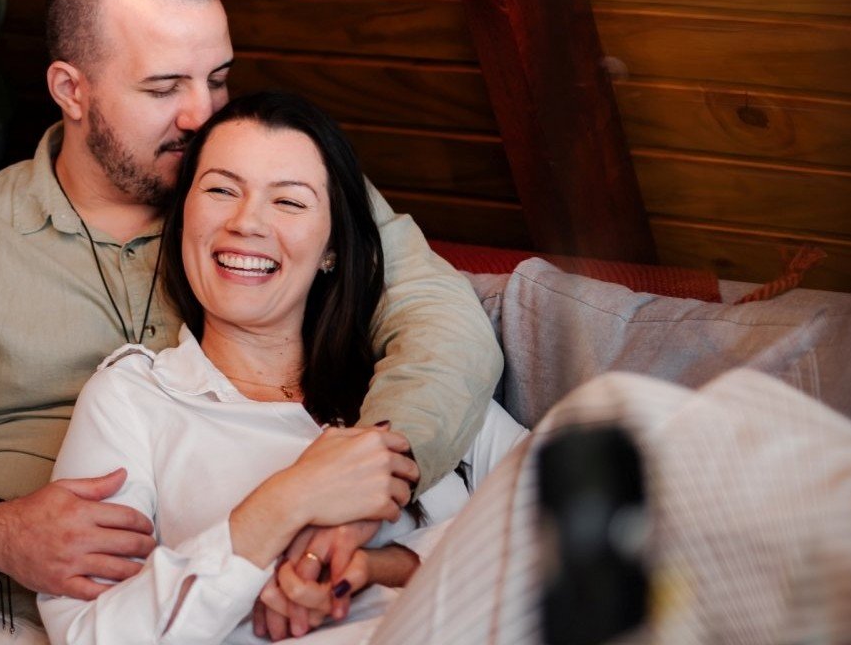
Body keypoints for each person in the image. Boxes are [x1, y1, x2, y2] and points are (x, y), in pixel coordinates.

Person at [0, 0, 502, 644]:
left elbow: (446, 329)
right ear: (71, 89)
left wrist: (358, 494)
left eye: (218, 79)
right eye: (164, 87)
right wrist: (1, 535)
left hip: (223, 589)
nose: (202, 115)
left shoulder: (277, 189)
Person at [37, 91, 529, 644]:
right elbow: (89, 635)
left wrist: (385, 565)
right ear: (183, 219)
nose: (247, 222)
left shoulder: (406, 384)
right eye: (221, 190)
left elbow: (571, 518)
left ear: (331, 249)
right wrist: (285, 501)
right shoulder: (132, 397)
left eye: (289, 202)